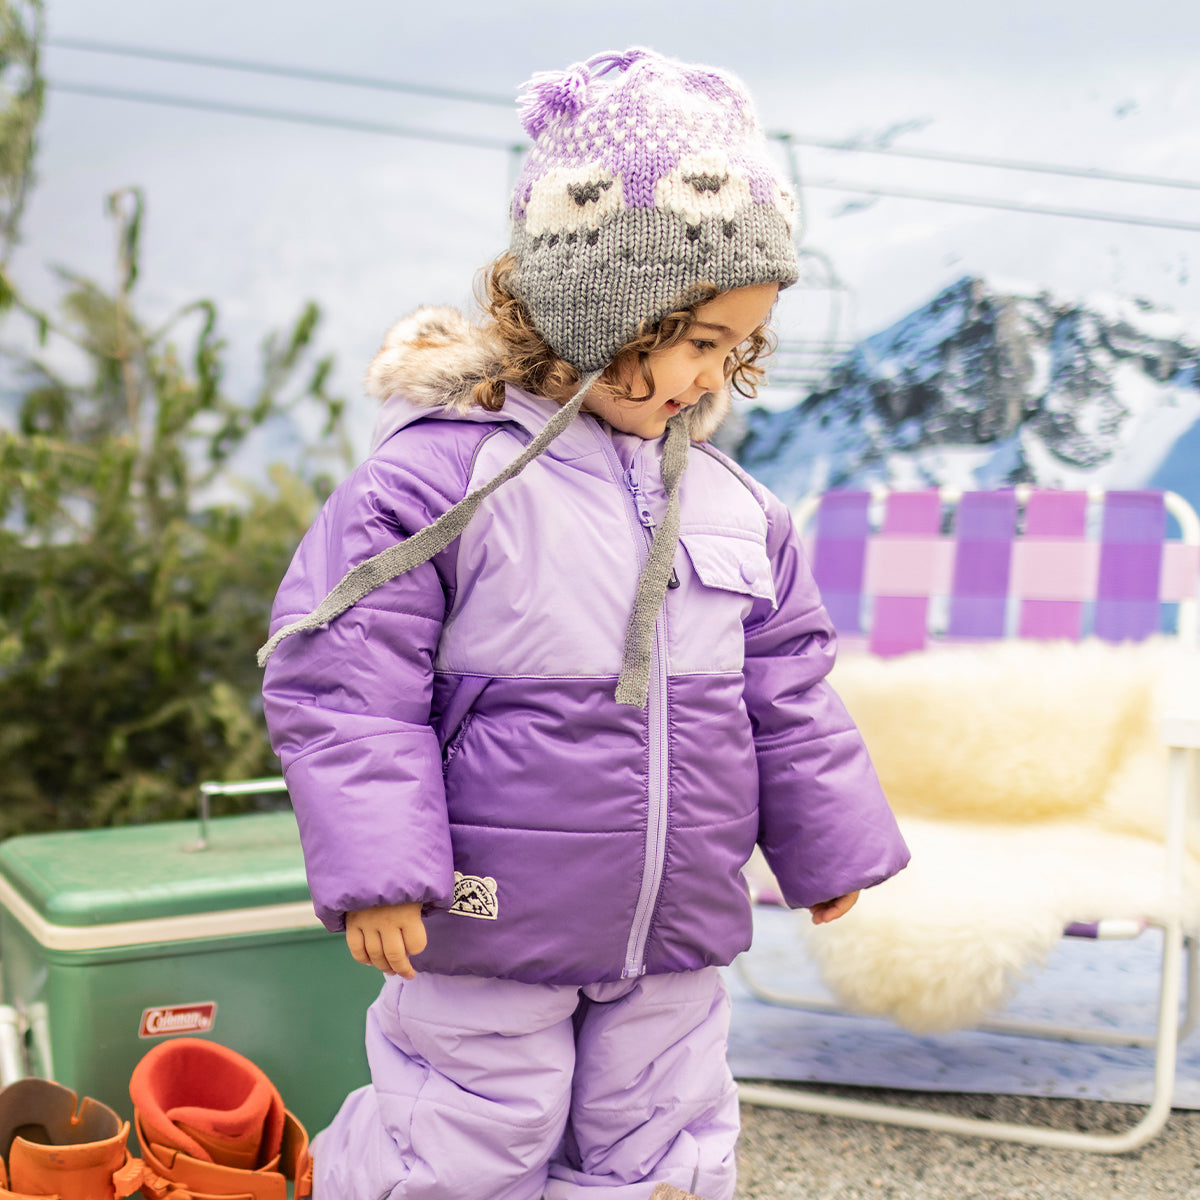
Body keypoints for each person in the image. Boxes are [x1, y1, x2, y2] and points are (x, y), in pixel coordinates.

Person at [260, 47, 909, 1200]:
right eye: (698, 341)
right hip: (487, 915)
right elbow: (343, 681)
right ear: (605, 308)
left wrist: (828, 843)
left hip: (674, 923)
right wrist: (378, 866)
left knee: (663, 1136)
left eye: (735, 349)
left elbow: (788, 689)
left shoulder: (735, 507)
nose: (711, 376)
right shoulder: (444, 482)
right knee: (465, 1132)